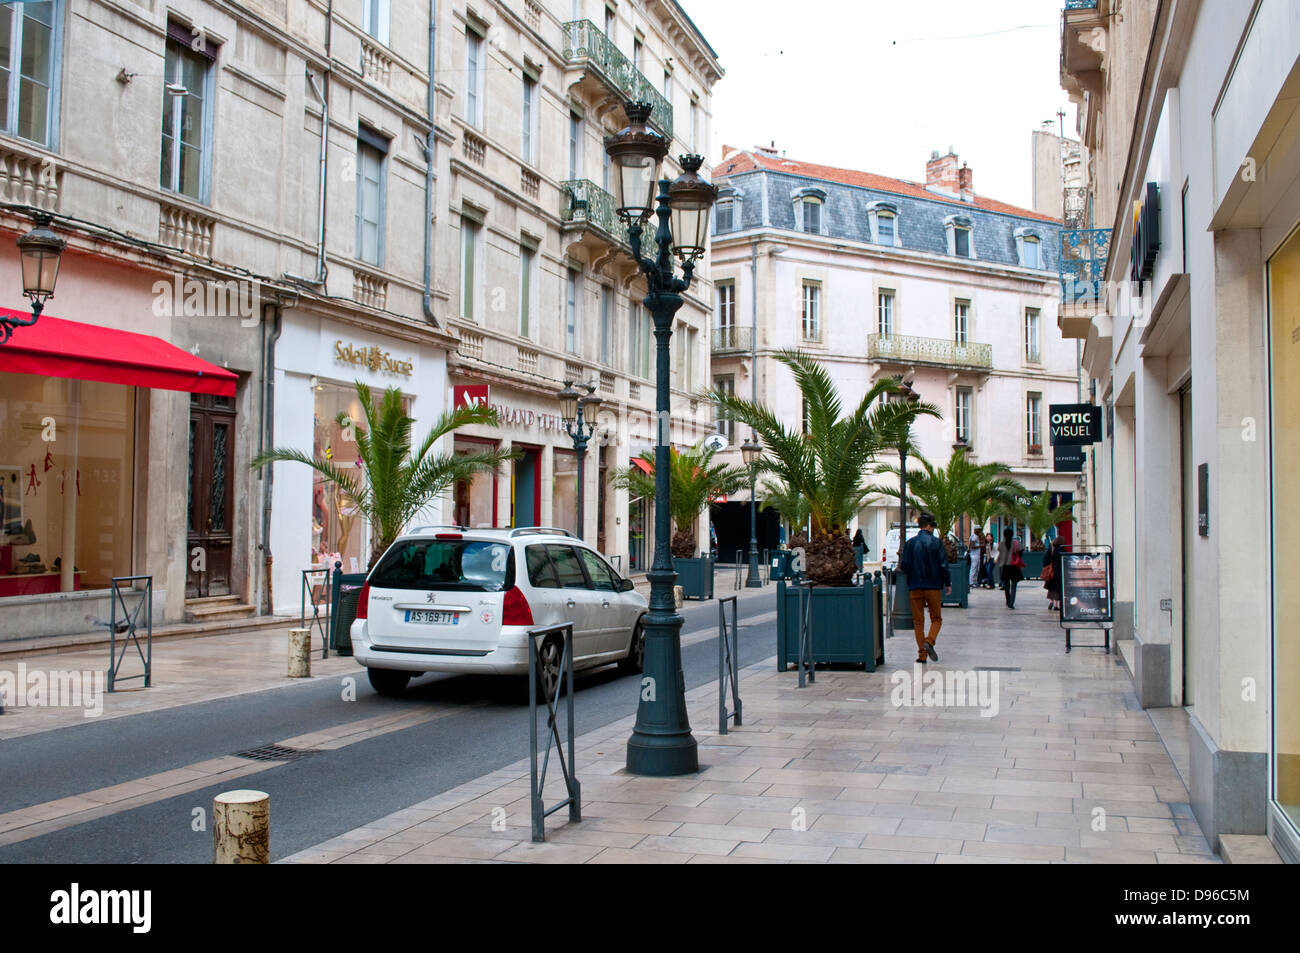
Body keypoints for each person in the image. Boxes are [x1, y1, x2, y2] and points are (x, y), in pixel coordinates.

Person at [898, 512, 949, 663]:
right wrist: (948, 583)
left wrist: (912, 576)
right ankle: (930, 641)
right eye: (932, 526)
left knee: (918, 622)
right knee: (936, 618)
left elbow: (904, 565)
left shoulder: (910, 543)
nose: (933, 529)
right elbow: (943, 565)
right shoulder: (936, 543)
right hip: (933, 586)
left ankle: (922, 655)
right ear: (928, 526)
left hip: (915, 586)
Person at [997, 534, 1024, 608]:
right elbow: (1021, 553)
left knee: (1006, 585)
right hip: (1015, 566)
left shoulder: (1002, 544)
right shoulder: (1017, 543)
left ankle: (1008, 600)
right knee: (1014, 585)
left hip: (1006, 566)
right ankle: (1011, 602)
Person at [1044, 536, 1064, 612]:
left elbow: (1045, 560)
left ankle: (1051, 601)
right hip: (1058, 571)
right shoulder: (1062, 549)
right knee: (1057, 588)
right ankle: (1056, 605)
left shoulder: (1051, 549)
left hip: (1051, 572)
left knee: (1051, 587)